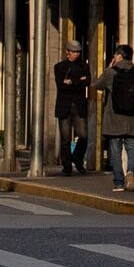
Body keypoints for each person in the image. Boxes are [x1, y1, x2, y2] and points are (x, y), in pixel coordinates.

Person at [102, 46, 134, 191]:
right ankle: (131, 172)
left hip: (114, 119)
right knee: (132, 149)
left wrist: (108, 69)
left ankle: (119, 182)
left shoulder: (110, 72)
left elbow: (96, 84)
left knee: (115, 151)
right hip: (133, 118)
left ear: (119, 56)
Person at [53, 41, 92, 177]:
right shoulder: (59, 67)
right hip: (64, 106)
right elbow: (61, 85)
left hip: (79, 106)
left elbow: (87, 81)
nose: (76, 54)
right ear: (67, 52)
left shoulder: (84, 66)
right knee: (65, 138)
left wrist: (71, 81)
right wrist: (77, 81)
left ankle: (77, 158)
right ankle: (67, 166)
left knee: (84, 135)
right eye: (73, 51)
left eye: (78, 52)